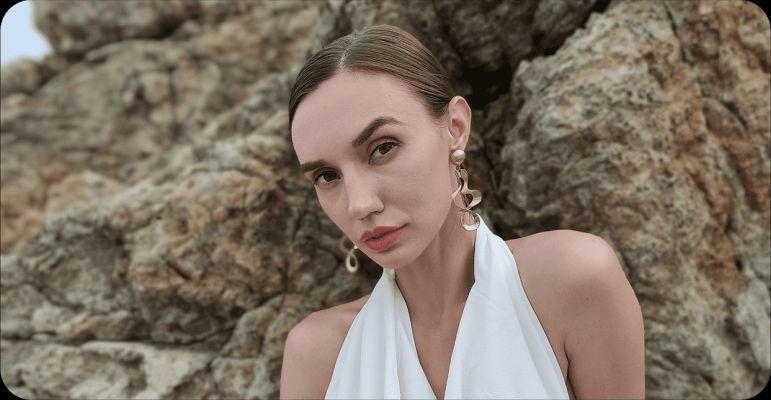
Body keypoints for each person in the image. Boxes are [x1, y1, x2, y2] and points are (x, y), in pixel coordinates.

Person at [280, 24, 644, 399]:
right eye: (327, 176)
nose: (360, 204)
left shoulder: (573, 279)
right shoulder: (317, 357)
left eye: (382, 148)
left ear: (455, 128)